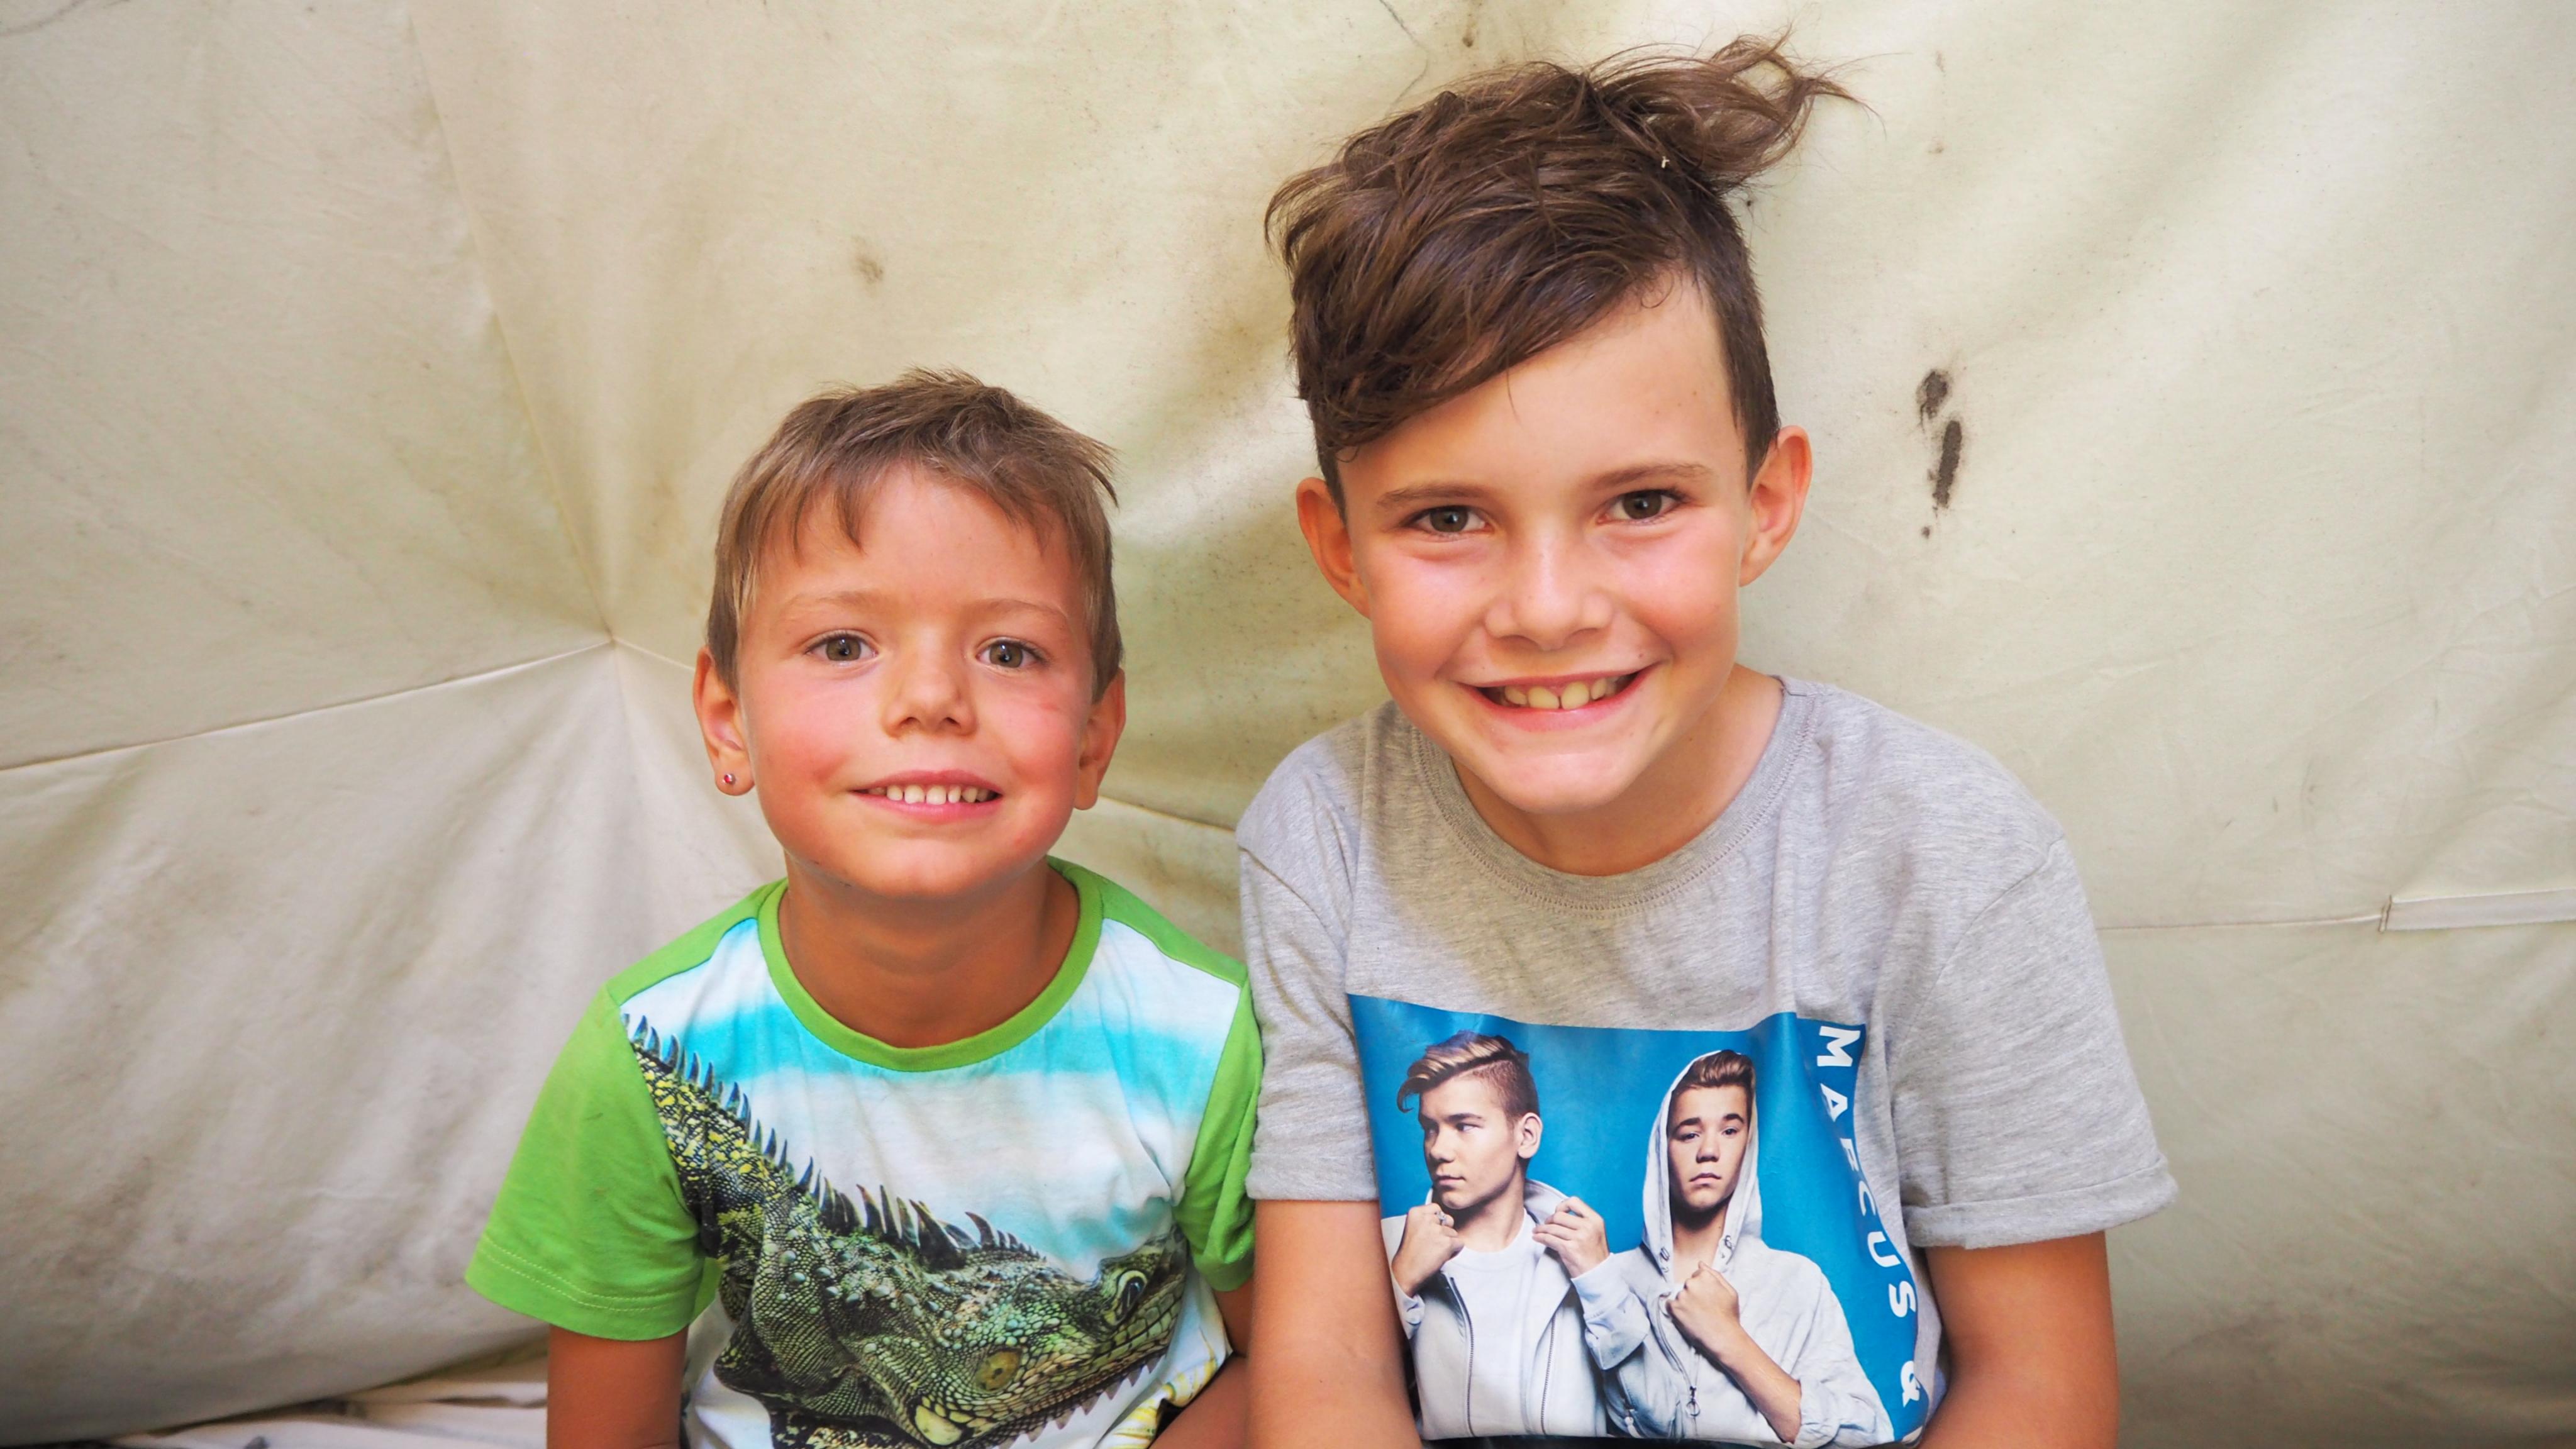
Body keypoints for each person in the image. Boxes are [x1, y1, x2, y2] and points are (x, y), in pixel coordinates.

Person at [1236, 36, 2176, 1449]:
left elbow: (2039, 1390)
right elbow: (1324, 1375)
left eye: (1639, 504)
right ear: (1341, 548)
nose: (1547, 608)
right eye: (1448, 517)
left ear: (1764, 504)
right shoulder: (1321, 834)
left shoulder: (1944, 848)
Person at [466, 372, 1260, 1449]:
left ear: (1092, 736)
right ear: (728, 721)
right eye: (844, 645)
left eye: (1009, 651)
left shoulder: (1201, 1037)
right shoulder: (649, 1057)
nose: (930, 699)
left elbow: (1300, 1363)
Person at [1585, 1052, 1890, 1445]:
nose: (1708, 1151)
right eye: (1690, 1134)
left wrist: (1729, 1339)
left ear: (1749, 1142)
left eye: (1729, 1131)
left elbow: (1864, 1435)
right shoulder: (1608, 1279)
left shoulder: (1796, 1281)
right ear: (1662, 1147)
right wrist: (1602, 1289)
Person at [1380, 1033, 1617, 1438]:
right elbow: (1340, 1390)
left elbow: (1650, 1419)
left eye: (1464, 1126)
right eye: (1430, 1129)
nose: (1438, 1150)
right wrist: (1401, 1282)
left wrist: (1602, 1284)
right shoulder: (1385, 1245)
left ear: (1526, 1136)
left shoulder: (1586, 1253)